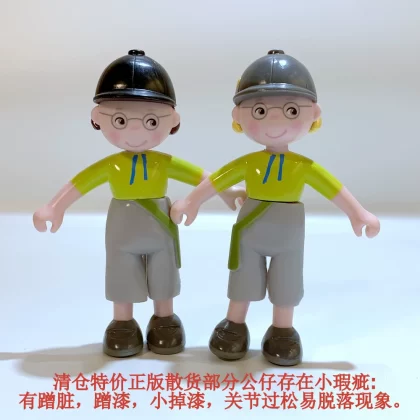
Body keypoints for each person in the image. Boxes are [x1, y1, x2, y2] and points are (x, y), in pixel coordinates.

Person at [170, 49, 380, 366]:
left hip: (288, 230)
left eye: (291, 110)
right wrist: (191, 201)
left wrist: (357, 213)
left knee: (287, 282)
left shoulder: (303, 166)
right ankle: (234, 324)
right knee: (243, 279)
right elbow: (217, 181)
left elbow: (333, 188)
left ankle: (283, 330)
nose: (275, 121)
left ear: (314, 114)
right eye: (259, 111)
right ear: (238, 116)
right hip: (251, 226)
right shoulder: (248, 163)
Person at [33, 50, 246, 358]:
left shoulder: (164, 162)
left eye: (151, 121)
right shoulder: (111, 165)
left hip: (160, 223)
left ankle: (164, 319)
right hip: (122, 226)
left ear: (173, 121)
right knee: (121, 272)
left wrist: (226, 191)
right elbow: (81, 183)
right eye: (120, 119)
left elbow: (199, 176)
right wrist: (56, 206)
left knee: (164, 272)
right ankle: (123, 322)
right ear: (97, 118)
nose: (135, 131)